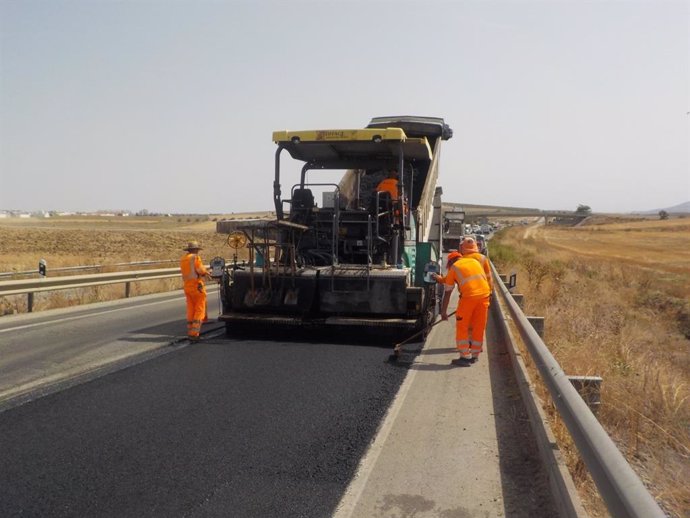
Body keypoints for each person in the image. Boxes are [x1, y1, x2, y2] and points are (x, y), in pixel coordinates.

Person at [437, 250, 491, 366]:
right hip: (485, 296)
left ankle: (465, 357)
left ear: (451, 261)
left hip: (469, 298)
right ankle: (475, 355)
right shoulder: (474, 262)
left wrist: (443, 312)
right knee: (479, 326)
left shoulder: (454, 268)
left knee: (462, 326)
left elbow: (448, 292)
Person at [180, 241, 211, 342]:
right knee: (199, 309)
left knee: (191, 309)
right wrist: (207, 272)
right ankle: (194, 334)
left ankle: (190, 331)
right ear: (195, 250)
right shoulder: (195, 257)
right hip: (197, 287)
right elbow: (200, 270)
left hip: (187, 287)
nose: (198, 251)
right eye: (197, 250)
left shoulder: (183, 259)